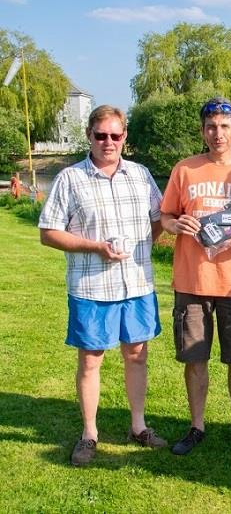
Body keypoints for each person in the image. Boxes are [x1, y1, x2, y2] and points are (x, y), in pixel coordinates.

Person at [39, 104, 167, 466]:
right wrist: (96, 247)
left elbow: (158, 220)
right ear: (89, 137)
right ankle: (90, 433)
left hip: (137, 284)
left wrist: (142, 245)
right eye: (101, 135)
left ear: (125, 136)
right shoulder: (70, 179)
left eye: (115, 135)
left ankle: (138, 427)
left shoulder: (141, 176)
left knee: (137, 356)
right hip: (92, 288)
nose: (108, 142)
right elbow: (49, 233)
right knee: (91, 360)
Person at [161, 97, 231, 455]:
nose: (218, 134)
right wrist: (176, 224)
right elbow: (165, 217)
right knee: (195, 358)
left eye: (225, 127)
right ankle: (196, 426)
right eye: (211, 127)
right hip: (192, 280)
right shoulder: (185, 170)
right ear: (203, 131)